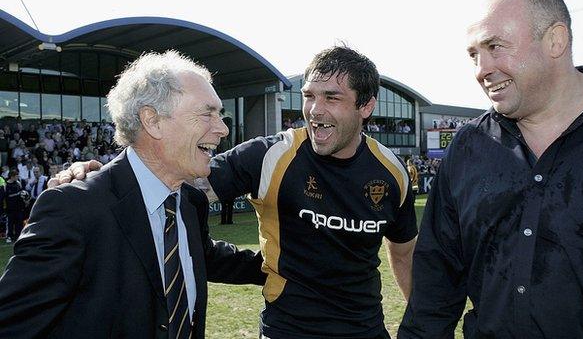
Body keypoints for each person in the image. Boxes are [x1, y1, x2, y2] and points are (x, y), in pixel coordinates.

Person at [52, 46, 418, 339]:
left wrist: (419, 324)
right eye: (309, 95)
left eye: (332, 98)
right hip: (288, 329)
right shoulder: (269, 155)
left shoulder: (392, 172)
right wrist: (101, 176)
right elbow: (170, 176)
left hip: (364, 328)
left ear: (366, 106)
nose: (315, 110)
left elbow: (403, 255)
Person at [399, 0, 583, 338]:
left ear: (555, 40)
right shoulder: (469, 147)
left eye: (494, 47)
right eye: (473, 54)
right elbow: (435, 288)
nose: (481, 69)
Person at [0, 50, 265, 338]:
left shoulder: (189, 202)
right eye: (207, 113)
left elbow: (203, 256)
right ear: (152, 120)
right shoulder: (75, 209)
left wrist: (293, 263)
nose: (223, 128)